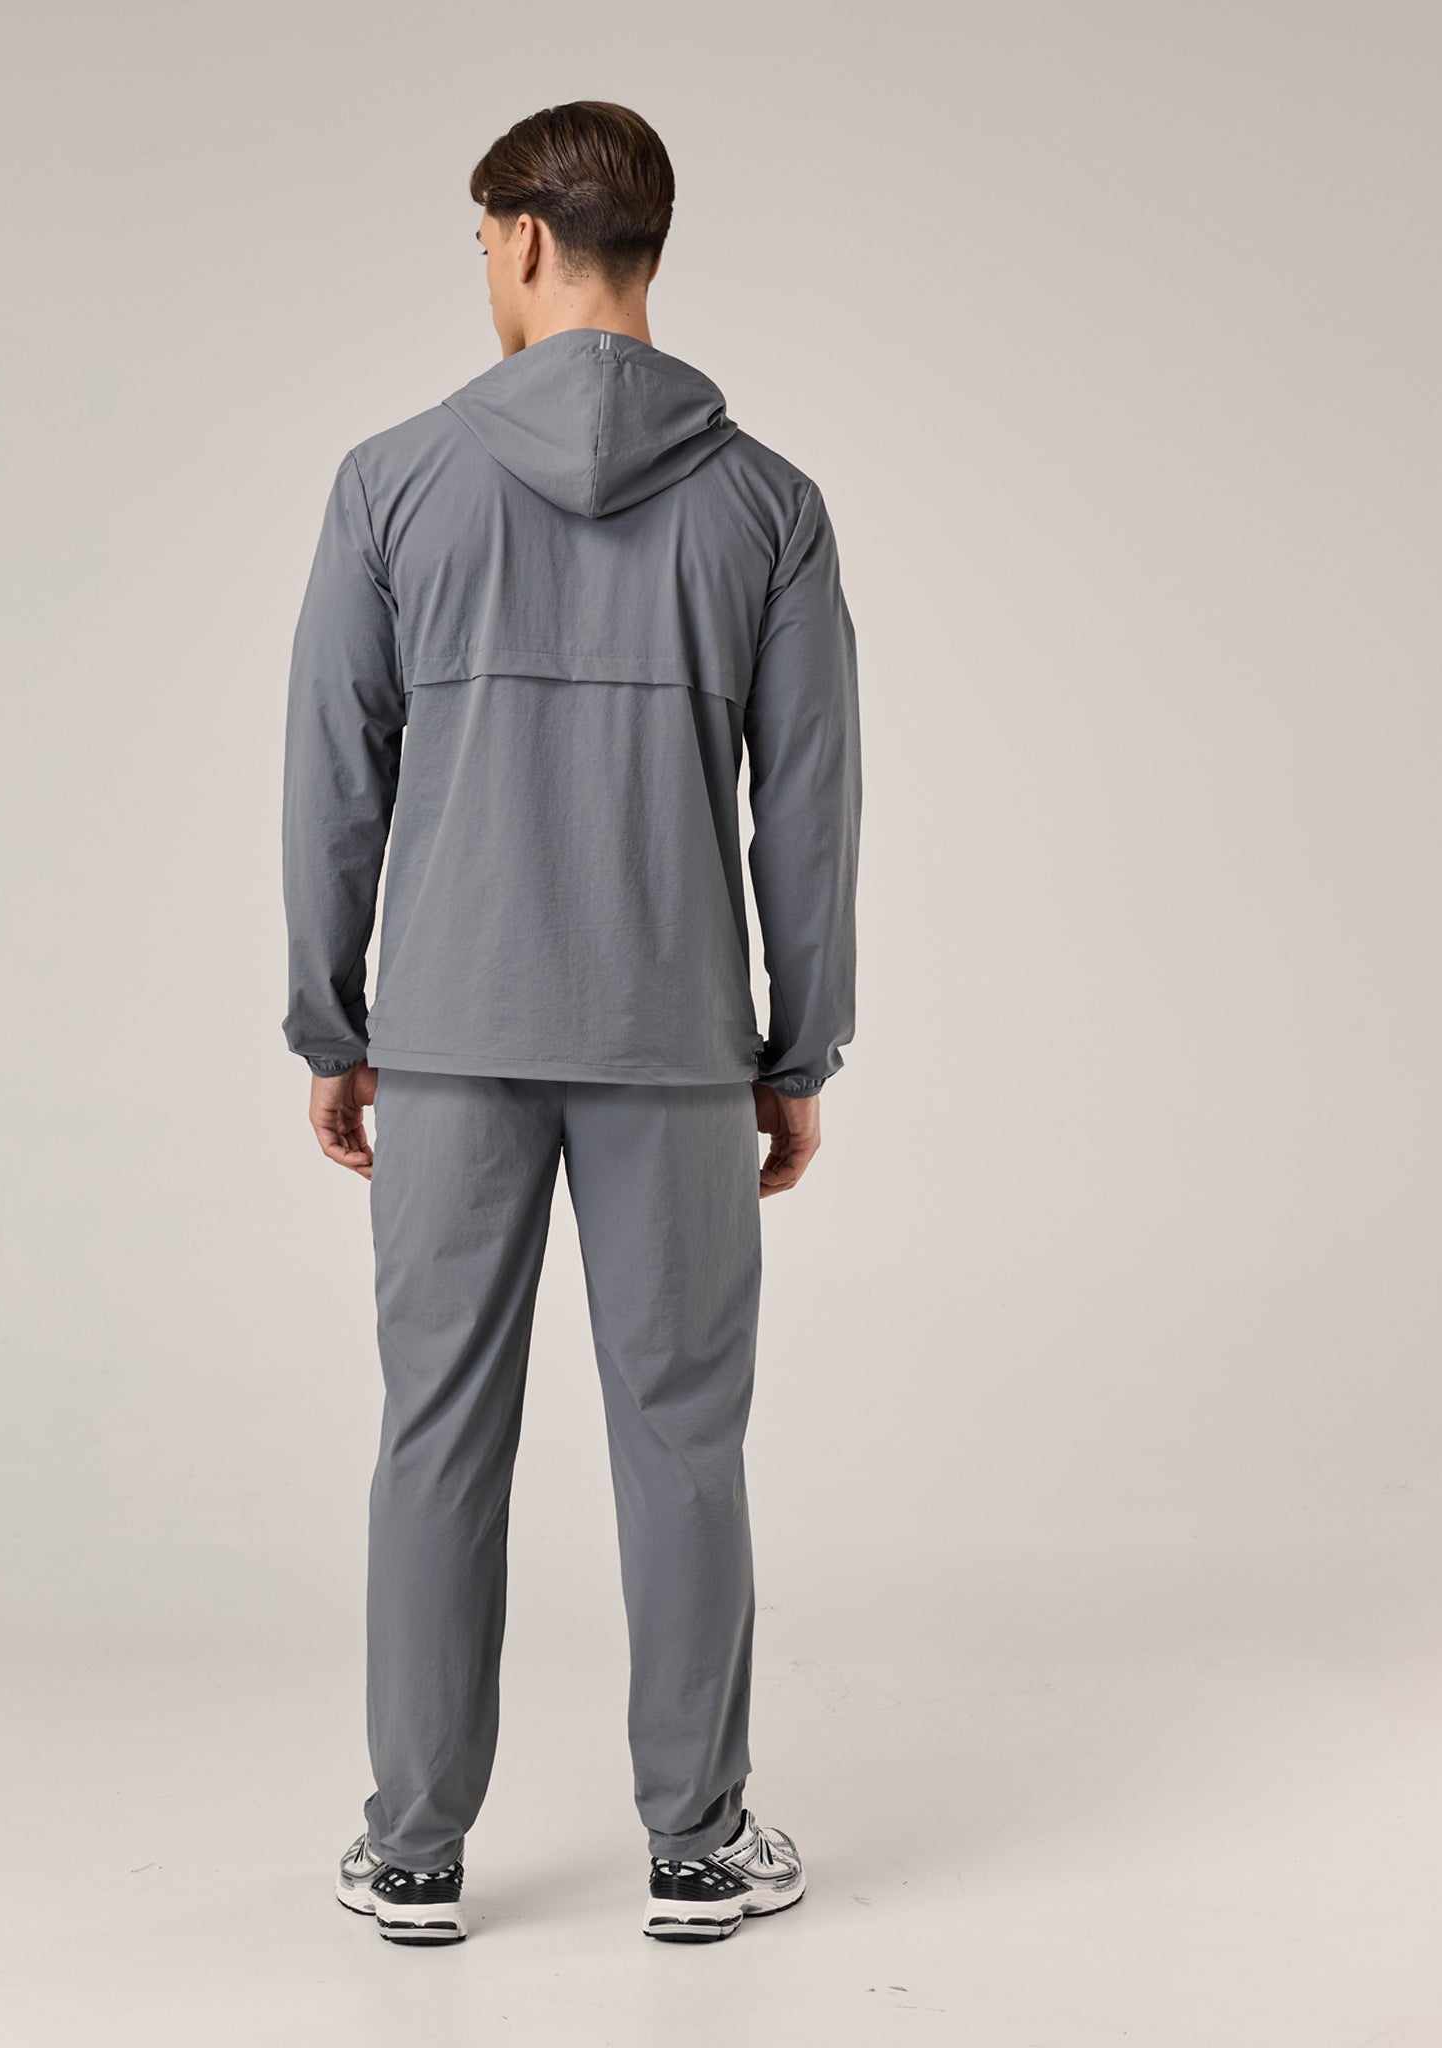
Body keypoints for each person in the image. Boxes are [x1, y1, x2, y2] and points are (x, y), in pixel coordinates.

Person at [281, 99, 860, 1947]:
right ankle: (697, 1846)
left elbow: (333, 778)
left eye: (479, 243)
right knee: (683, 1434)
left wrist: (331, 1022)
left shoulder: (391, 483)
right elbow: (809, 810)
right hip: (675, 1040)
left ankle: (413, 1851)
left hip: (449, 1034)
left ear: (529, 239)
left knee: (437, 1430)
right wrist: (799, 1049)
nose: (482, 272)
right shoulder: (768, 505)